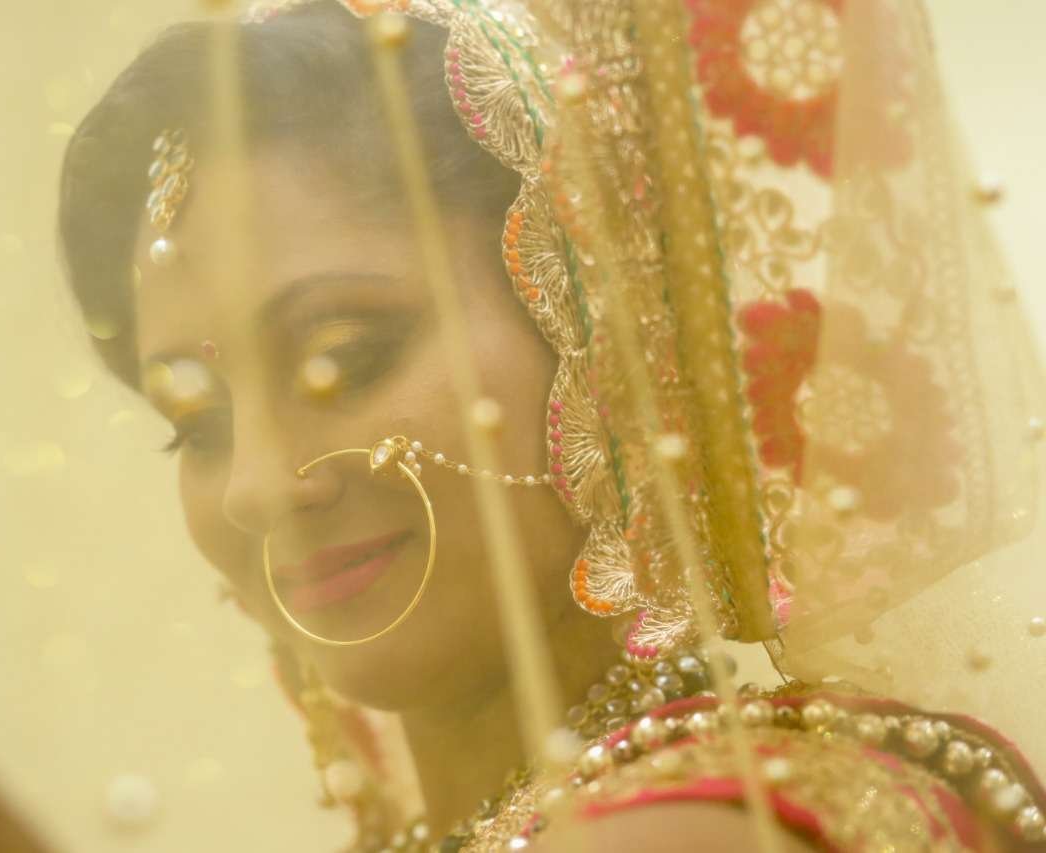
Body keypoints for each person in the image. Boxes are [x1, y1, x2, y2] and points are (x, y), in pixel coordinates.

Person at [57, 0, 1046, 849]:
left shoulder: (686, 829)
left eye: (342, 359)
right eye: (197, 421)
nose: (258, 485)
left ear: (601, 328)